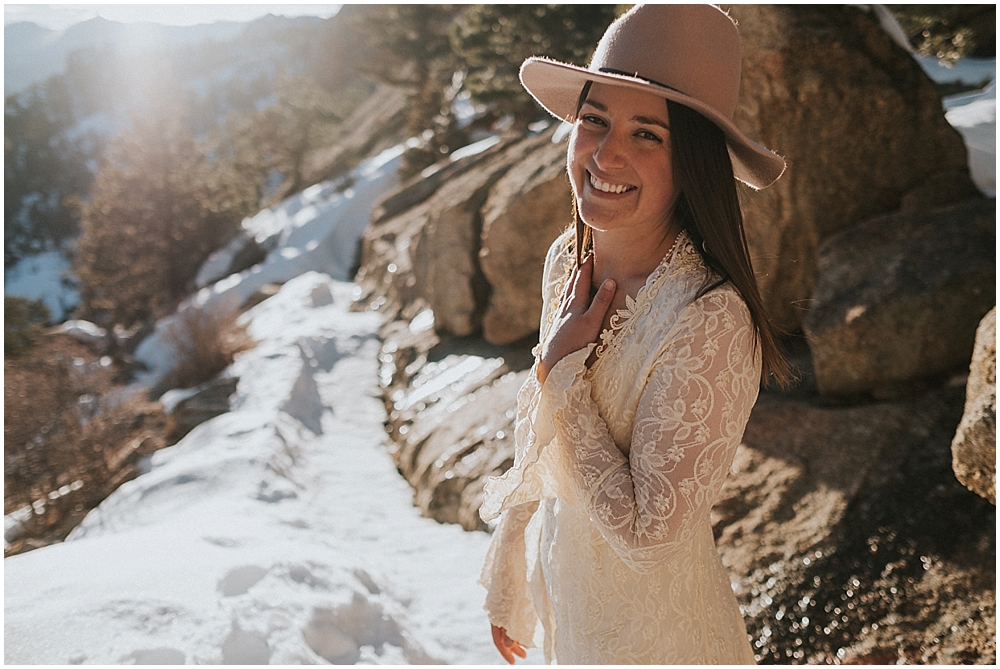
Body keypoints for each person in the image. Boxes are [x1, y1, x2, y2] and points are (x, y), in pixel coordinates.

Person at [478, 4, 791, 664]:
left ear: (694, 162)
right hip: (574, 615)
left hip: (664, 644)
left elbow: (651, 537)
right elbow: (543, 436)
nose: (607, 150)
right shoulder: (567, 260)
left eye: (647, 134)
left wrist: (562, 374)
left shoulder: (709, 318)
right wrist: (512, 575)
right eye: (595, 119)